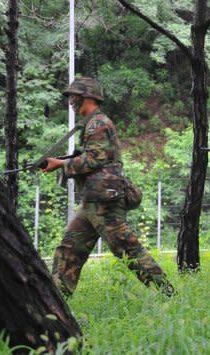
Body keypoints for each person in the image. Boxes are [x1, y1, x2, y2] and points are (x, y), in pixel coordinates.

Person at [42, 76, 174, 297]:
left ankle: (166, 293)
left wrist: (62, 164)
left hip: (105, 202)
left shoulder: (98, 123)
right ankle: (55, 301)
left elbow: (95, 159)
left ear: (88, 97)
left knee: (127, 249)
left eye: (75, 96)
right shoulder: (91, 123)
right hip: (93, 200)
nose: (71, 101)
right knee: (69, 248)